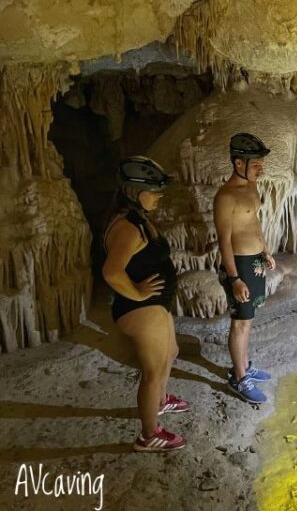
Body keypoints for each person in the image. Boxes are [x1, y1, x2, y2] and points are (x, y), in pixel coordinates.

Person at [102, 156, 189, 452]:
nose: (160, 196)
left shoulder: (137, 219)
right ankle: (148, 434)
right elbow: (111, 271)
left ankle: (160, 403)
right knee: (153, 372)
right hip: (139, 309)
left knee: (171, 353)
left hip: (154, 305)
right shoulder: (127, 227)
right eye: (155, 191)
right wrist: (138, 293)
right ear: (135, 192)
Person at [214, 133, 276, 405]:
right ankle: (239, 378)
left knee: (248, 319)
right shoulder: (225, 197)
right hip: (238, 265)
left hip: (254, 261)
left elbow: (254, 223)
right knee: (240, 323)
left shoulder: (251, 187)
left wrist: (264, 251)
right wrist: (234, 278)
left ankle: (244, 366)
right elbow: (224, 241)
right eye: (256, 164)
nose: (260, 169)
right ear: (238, 163)